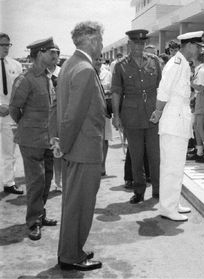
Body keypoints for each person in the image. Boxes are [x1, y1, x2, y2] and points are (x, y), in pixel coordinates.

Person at [53, 21, 105, 271]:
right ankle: (71, 256)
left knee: (73, 204)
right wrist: (63, 144)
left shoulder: (69, 65)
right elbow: (73, 116)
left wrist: (60, 142)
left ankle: (70, 250)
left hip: (75, 147)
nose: (102, 46)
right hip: (83, 149)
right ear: (93, 41)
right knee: (80, 206)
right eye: (101, 41)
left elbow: (60, 110)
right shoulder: (84, 68)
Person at [149, 31, 204, 222]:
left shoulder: (182, 64)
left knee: (177, 165)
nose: (199, 51)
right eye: (198, 47)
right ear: (189, 45)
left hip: (178, 120)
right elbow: (163, 91)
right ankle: (167, 207)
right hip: (173, 121)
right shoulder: (176, 64)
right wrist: (157, 112)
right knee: (171, 166)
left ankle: (172, 202)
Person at [9, 37, 58, 241]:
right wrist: (26, 125)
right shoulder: (25, 79)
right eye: (51, 53)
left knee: (46, 180)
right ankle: (33, 222)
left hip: (47, 138)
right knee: (35, 181)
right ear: (39, 54)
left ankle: (40, 213)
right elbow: (14, 109)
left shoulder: (47, 77)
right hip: (30, 139)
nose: (55, 57)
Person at [111, 29, 162, 203]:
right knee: (136, 155)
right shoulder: (120, 65)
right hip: (131, 116)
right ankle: (139, 190)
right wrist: (116, 116)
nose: (140, 47)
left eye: (142, 43)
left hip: (153, 115)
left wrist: (163, 110)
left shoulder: (155, 61)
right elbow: (116, 92)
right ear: (129, 45)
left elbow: (162, 88)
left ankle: (158, 190)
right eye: (136, 43)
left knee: (155, 156)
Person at [0, 33, 23, 195]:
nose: (6, 48)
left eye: (8, 45)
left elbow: (19, 91)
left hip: (9, 114)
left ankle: (9, 182)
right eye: (2, 45)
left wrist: (12, 107)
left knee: (9, 151)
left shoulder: (16, 65)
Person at [94, 55, 112, 176]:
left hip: (104, 110)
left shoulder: (108, 74)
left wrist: (105, 92)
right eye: (96, 59)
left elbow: (113, 90)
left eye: (100, 59)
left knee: (104, 140)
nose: (99, 62)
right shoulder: (86, 73)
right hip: (90, 112)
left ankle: (102, 165)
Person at [48, 44, 62, 192]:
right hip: (42, 117)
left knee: (57, 150)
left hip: (56, 117)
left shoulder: (63, 72)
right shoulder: (42, 73)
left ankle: (58, 181)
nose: (53, 56)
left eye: (56, 53)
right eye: (50, 53)